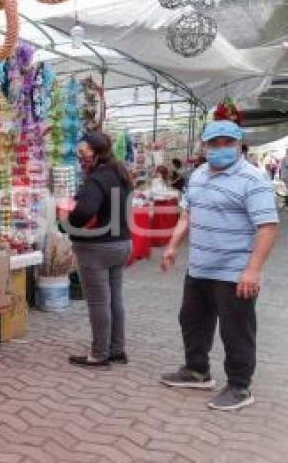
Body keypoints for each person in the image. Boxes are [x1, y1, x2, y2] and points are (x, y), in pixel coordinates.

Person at [160, 121, 278, 411]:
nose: (220, 148)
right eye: (214, 143)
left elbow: (267, 227)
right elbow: (187, 214)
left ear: (239, 145)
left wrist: (252, 270)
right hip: (199, 268)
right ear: (204, 146)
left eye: (227, 143)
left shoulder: (253, 179)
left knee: (236, 330)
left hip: (235, 272)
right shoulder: (198, 174)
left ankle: (239, 386)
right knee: (192, 321)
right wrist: (173, 245)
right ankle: (196, 371)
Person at [62, 132, 133, 367]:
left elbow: (84, 211)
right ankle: (116, 349)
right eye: (78, 153)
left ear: (97, 152)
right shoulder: (119, 173)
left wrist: (67, 223)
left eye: (84, 153)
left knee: (98, 302)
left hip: (97, 247)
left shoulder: (98, 178)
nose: (80, 158)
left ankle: (99, 353)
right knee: (115, 298)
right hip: (120, 243)